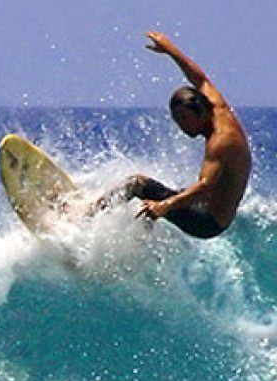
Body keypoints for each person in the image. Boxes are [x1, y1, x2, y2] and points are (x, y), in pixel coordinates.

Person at [91, 31, 251, 239]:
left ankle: (84, 216)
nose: (181, 126)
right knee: (153, 203)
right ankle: (138, 239)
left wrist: (164, 206)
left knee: (138, 183)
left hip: (207, 222)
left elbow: (204, 187)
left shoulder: (220, 142)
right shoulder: (216, 107)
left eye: (185, 119)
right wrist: (169, 50)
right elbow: (200, 79)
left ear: (200, 112)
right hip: (211, 205)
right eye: (177, 120)